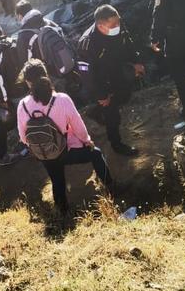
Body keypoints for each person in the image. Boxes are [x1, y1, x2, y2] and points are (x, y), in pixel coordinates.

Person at [17, 60, 114, 215]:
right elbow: (78, 126)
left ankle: (63, 211)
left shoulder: (22, 105)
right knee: (95, 153)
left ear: (27, 82)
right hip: (65, 151)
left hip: (44, 154)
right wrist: (87, 141)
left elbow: (23, 138)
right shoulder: (61, 99)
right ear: (46, 75)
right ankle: (112, 187)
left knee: (56, 179)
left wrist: (42, 145)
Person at [76, 5, 143, 156]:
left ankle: (95, 111)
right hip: (101, 82)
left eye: (118, 23)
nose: (117, 27)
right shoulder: (87, 43)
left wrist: (136, 61)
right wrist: (101, 96)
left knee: (125, 95)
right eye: (113, 25)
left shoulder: (117, 25)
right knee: (112, 113)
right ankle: (117, 144)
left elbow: (128, 42)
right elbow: (87, 76)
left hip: (117, 72)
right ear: (101, 26)